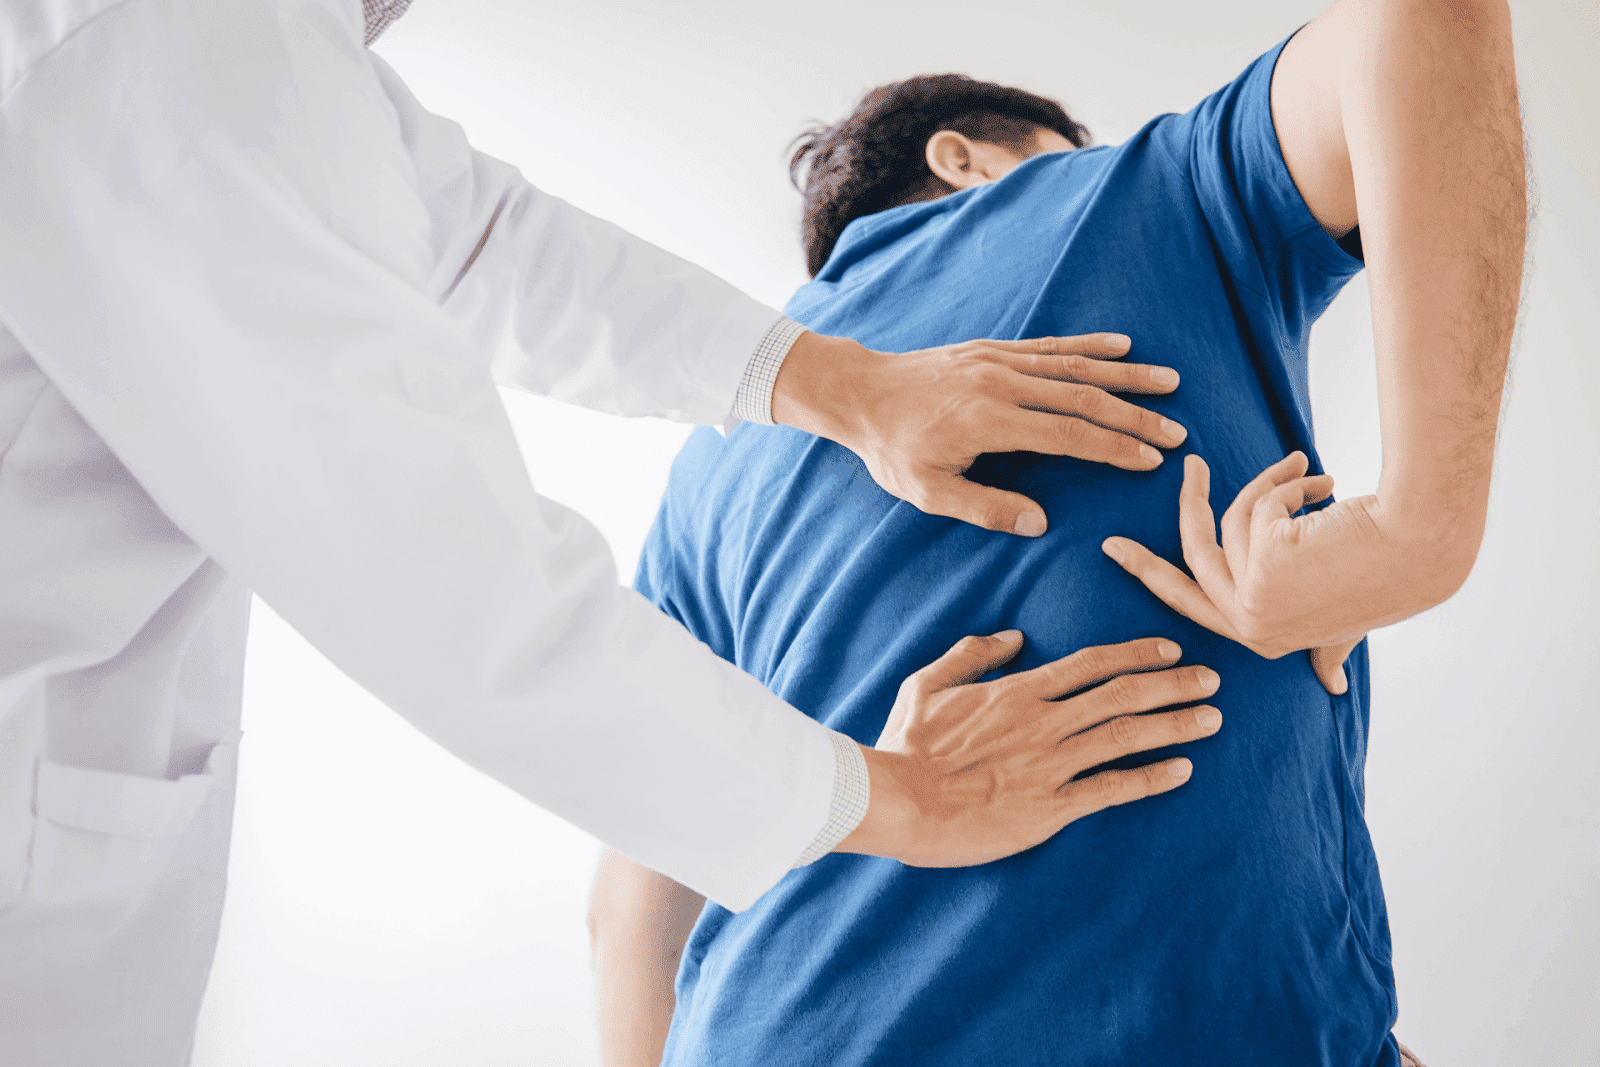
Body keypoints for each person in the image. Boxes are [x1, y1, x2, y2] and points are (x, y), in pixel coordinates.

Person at [0, 2, 1212, 1065]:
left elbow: (487, 242)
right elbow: (441, 570)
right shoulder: (170, 38)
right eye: (1068, 165)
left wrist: (838, 385)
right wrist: (902, 799)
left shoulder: (251, 52)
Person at [590, 1, 1524, 1064]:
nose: (1087, 160)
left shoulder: (709, 468)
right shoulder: (1129, 195)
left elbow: (630, 904)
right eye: (1068, 148)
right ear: (968, 158)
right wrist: (1419, 533)